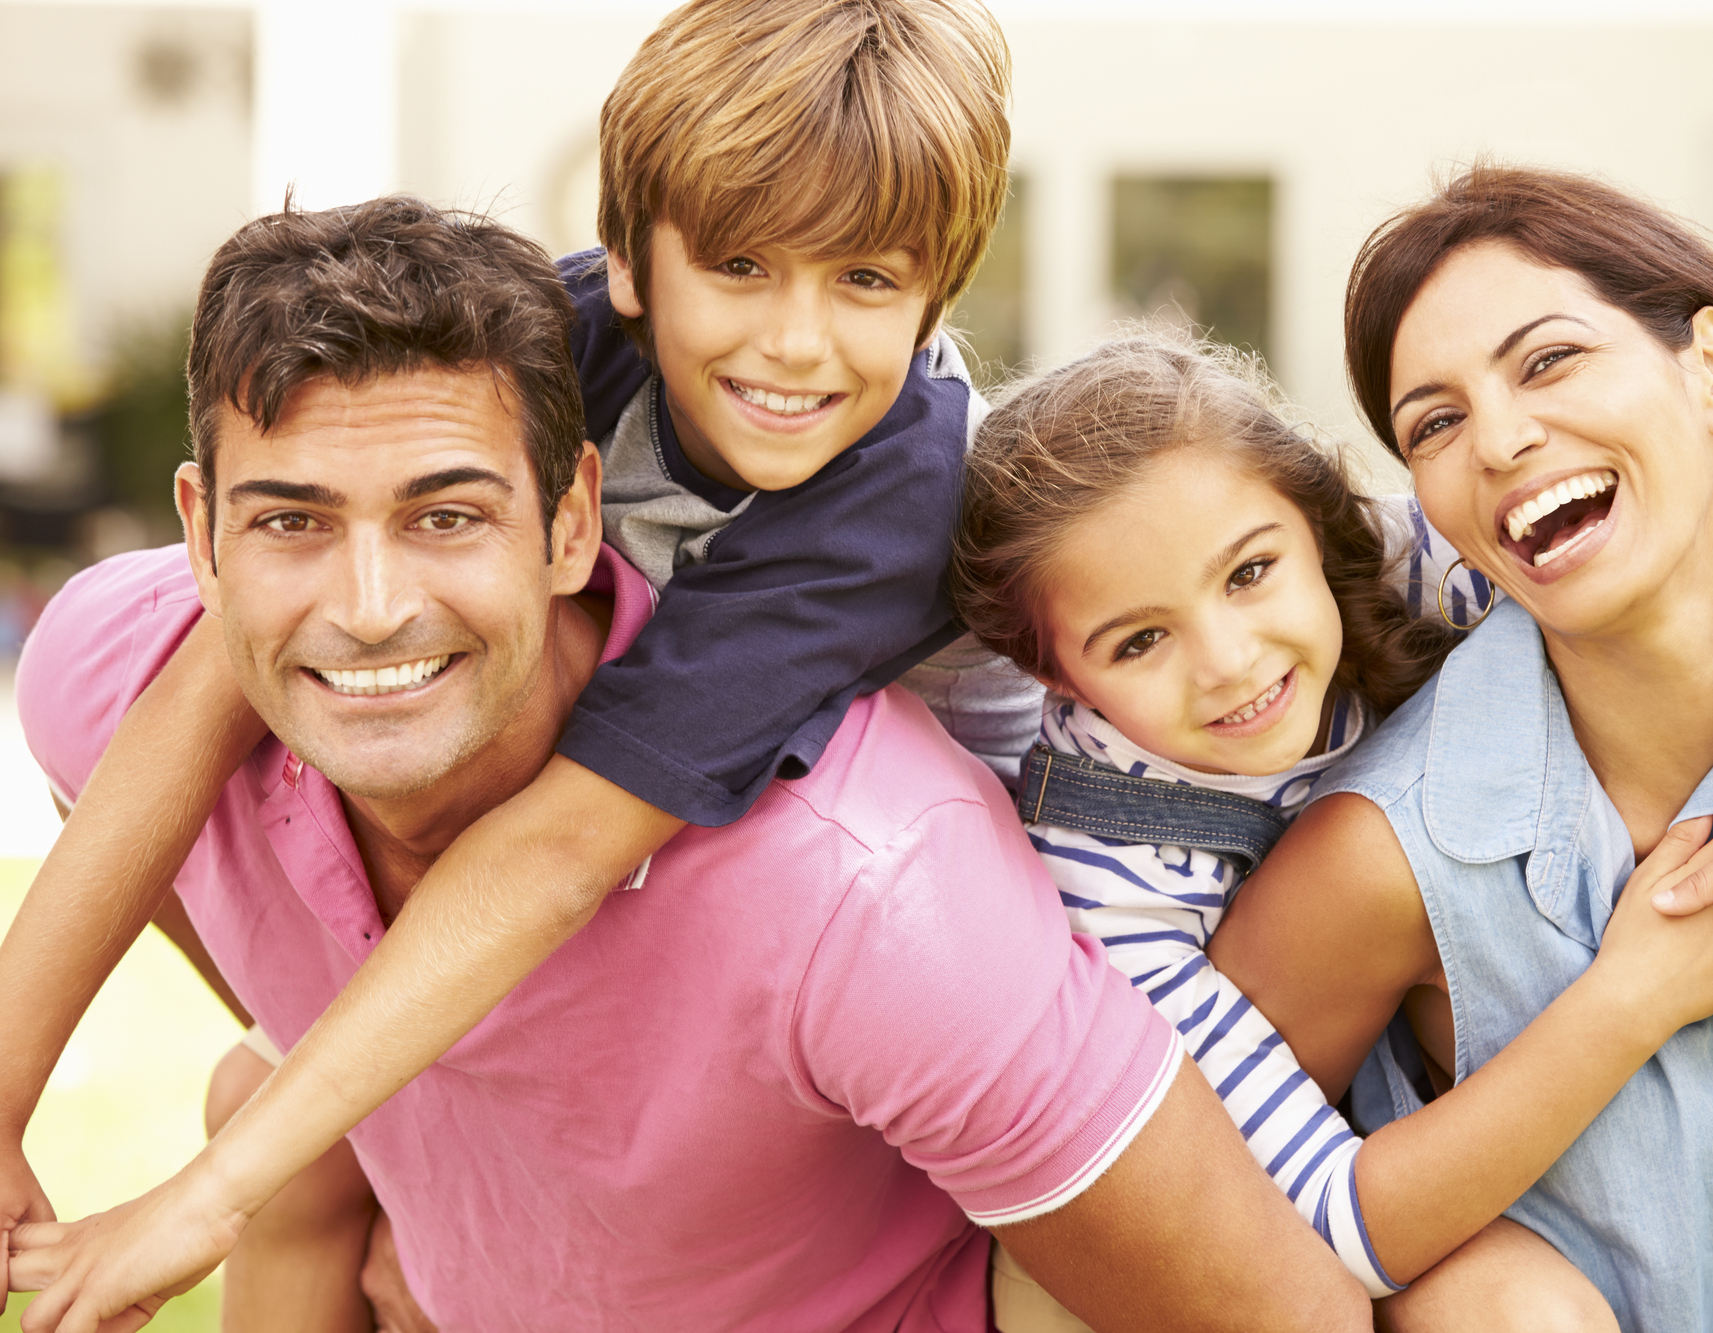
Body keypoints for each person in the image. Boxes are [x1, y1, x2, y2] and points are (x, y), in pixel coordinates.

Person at [5, 196, 1369, 1333]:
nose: (368, 604)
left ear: (570, 518)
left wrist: (211, 1196)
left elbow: (1286, 1315)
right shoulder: (102, 685)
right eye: (292, 521)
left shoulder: (875, 896)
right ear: (201, 534)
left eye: (448, 515)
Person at [0, 0, 1043, 1325]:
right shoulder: (553, 333)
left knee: (281, 1140)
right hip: (657, 886)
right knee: (273, 1109)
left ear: (935, 293)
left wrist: (196, 1202)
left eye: (866, 281)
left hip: (957, 923)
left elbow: (561, 849)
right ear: (626, 262)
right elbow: (206, 680)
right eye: (739, 266)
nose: (794, 341)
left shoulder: (890, 505)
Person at [950, 331, 1713, 1327]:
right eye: (1138, 641)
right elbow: (1322, 1221)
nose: (1228, 659)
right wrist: (1635, 994)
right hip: (1236, 1218)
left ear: (1313, 528)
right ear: (1052, 673)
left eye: (1248, 573)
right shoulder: (1105, 881)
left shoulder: (1391, 559)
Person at [1204, 163, 1713, 1330]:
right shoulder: (1394, 853)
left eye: (1548, 359)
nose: (1501, 438)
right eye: (1435, 421)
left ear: (1711, 369)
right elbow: (1188, 1212)